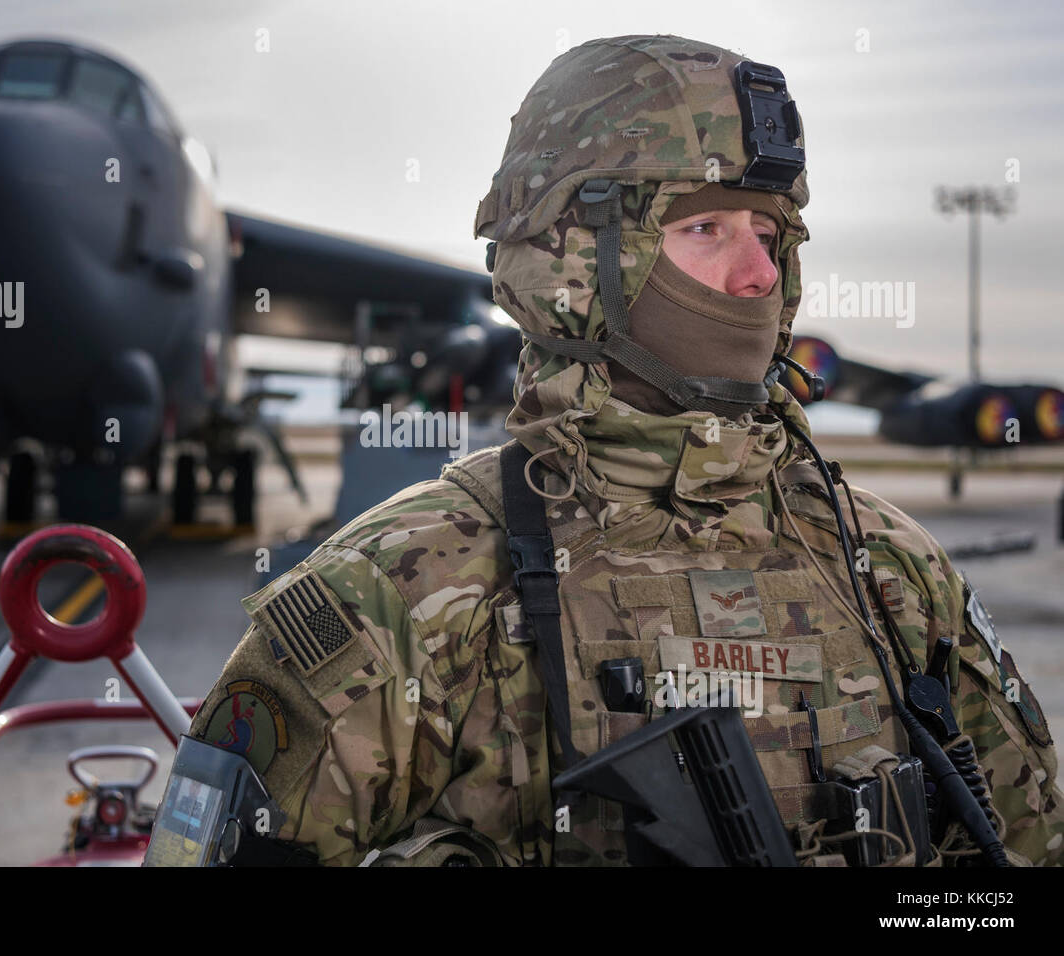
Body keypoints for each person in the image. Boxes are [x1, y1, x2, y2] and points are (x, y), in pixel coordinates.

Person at [186, 34, 1063, 866]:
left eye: (769, 237)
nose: (758, 278)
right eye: (707, 230)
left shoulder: (892, 572)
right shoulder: (401, 591)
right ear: (574, 260)